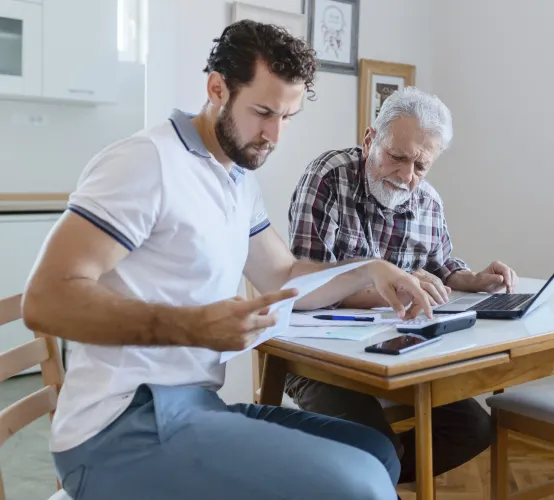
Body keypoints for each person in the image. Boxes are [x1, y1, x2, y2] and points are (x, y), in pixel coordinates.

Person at [22, 20, 434, 500]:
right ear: (217, 88)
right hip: (118, 425)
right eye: (263, 112)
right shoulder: (146, 162)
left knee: (377, 452)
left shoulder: (237, 179)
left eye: (287, 116)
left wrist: (368, 269)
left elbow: (282, 275)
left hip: (196, 406)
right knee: (359, 484)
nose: (274, 135)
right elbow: (46, 299)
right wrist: (192, 327)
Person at [285, 86, 519, 484]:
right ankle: (369, 472)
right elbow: (305, 290)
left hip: (398, 356)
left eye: (421, 166)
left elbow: (444, 267)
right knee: (377, 449)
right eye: (397, 157)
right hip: (319, 358)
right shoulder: (328, 178)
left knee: (474, 430)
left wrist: (474, 279)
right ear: (369, 139)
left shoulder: (427, 201)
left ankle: (371, 478)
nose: (406, 176)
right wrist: (391, 286)